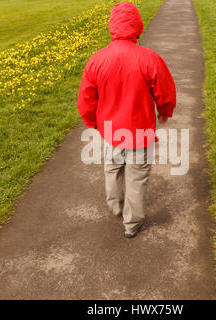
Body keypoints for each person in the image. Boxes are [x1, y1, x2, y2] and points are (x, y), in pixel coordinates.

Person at [77, 1, 176, 238]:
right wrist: (164, 109)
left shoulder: (97, 59)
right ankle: (132, 223)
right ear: (137, 27)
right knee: (137, 177)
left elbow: (86, 99)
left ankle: (115, 206)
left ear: (112, 26)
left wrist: (92, 122)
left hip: (111, 130)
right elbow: (165, 91)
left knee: (112, 169)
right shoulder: (149, 58)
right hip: (140, 132)